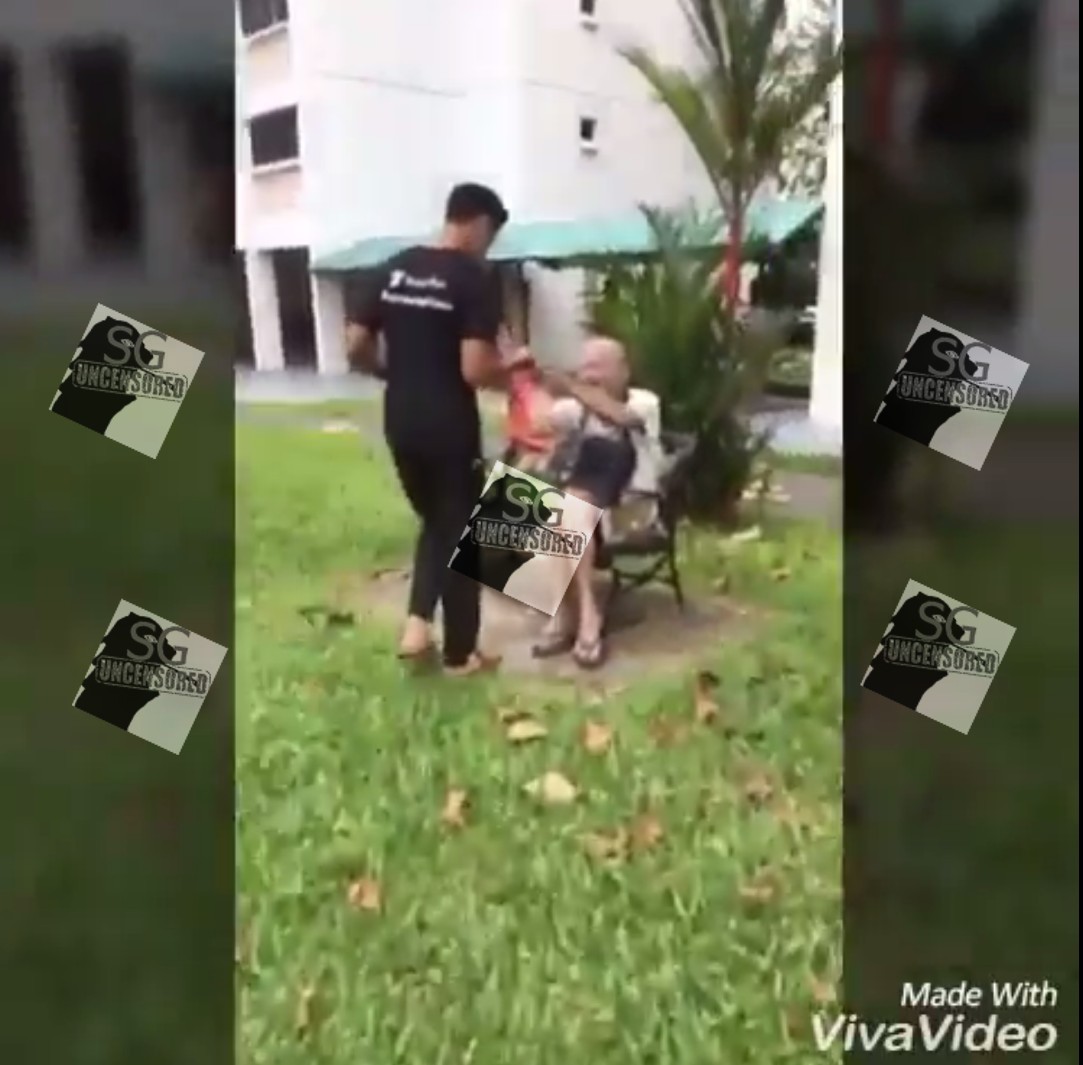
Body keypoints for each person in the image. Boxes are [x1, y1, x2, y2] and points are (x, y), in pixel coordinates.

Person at [344, 182, 529, 676]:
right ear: (481, 224)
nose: (488, 248)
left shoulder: (391, 268)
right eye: (491, 237)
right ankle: (435, 637)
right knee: (456, 528)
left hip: (400, 416)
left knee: (442, 524)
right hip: (449, 421)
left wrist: (390, 371)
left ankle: (443, 642)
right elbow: (474, 369)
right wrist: (512, 369)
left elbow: (355, 345)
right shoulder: (473, 279)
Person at [530, 336, 641, 669]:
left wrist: (572, 385)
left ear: (623, 371)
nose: (590, 374)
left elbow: (622, 416)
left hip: (630, 507)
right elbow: (539, 420)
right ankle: (585, 614)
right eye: (585, 367)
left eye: (599, 366)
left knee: (567, 507)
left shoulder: (643, 402)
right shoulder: (576, 410)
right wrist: (532, 381)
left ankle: (568, 616)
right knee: (563, 507)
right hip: (581, 509)